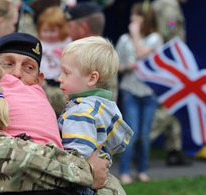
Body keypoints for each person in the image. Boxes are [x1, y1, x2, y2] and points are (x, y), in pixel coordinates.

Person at [0, 32, 115, 194]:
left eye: (28, 67)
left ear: (39, 81)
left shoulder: (62, 123)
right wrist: (87, 171)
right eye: (7, 64)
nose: (16, 74)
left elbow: (105, 178)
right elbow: (15, 158)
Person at [57, 36, 133, 195]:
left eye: (66, 73)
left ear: (92, 78)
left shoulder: (81, 113)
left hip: (79, 185)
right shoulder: (103, 108)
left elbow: (76, 157)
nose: (59, 78)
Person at [115, 2, 163, 184]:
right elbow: (117, 65)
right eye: (131, 16)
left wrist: (135, 34)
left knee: (144, 134)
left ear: (146, 18)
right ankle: (125, 171)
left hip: (149, 93)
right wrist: (126, 66)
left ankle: (142, 170)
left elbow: (142, 53)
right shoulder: (124, 39)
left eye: (136, 16)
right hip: (130, 91)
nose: (132, 20)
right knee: (132, 133)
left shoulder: (155, 38)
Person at [151, 0, 191, 166]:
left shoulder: (158, 4)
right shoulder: (169, 6)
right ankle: (137, 143)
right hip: (170, 64)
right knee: (167, 107)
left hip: (163, 64)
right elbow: (171, 37)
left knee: (174, 105)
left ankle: (173, 150)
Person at [65, 1, 118, 102]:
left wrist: (44, 89)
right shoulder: (104, 53)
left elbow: (79, 98)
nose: (67, 31)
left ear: (83, 28)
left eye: (70, 26)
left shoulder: (94, 57)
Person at [37, 6, 72, 117]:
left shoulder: (66, 42)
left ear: (61, 29)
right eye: (45, 30)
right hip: (44, 78)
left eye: (52, 31)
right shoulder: (39, 43)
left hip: (60, 78)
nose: (48, 34)